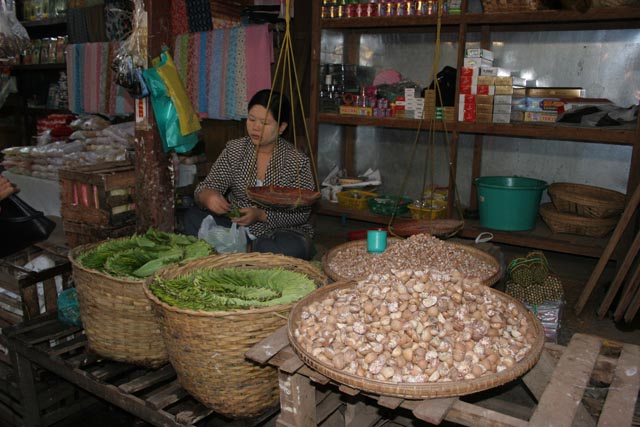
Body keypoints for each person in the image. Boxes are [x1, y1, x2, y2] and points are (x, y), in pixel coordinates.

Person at [184, 89, 317, 260]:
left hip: (277, 232)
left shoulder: (296, 160)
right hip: (236, 224)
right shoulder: (235, 149)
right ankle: (246, 252)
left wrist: (261, 215)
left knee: (293, 247)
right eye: (251, 119)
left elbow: (302, 212)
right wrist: (207, 196)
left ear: (281, 127)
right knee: (192, 217)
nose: (255, 127)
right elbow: (209, 185)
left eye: (264, 123)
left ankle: (241, 251)